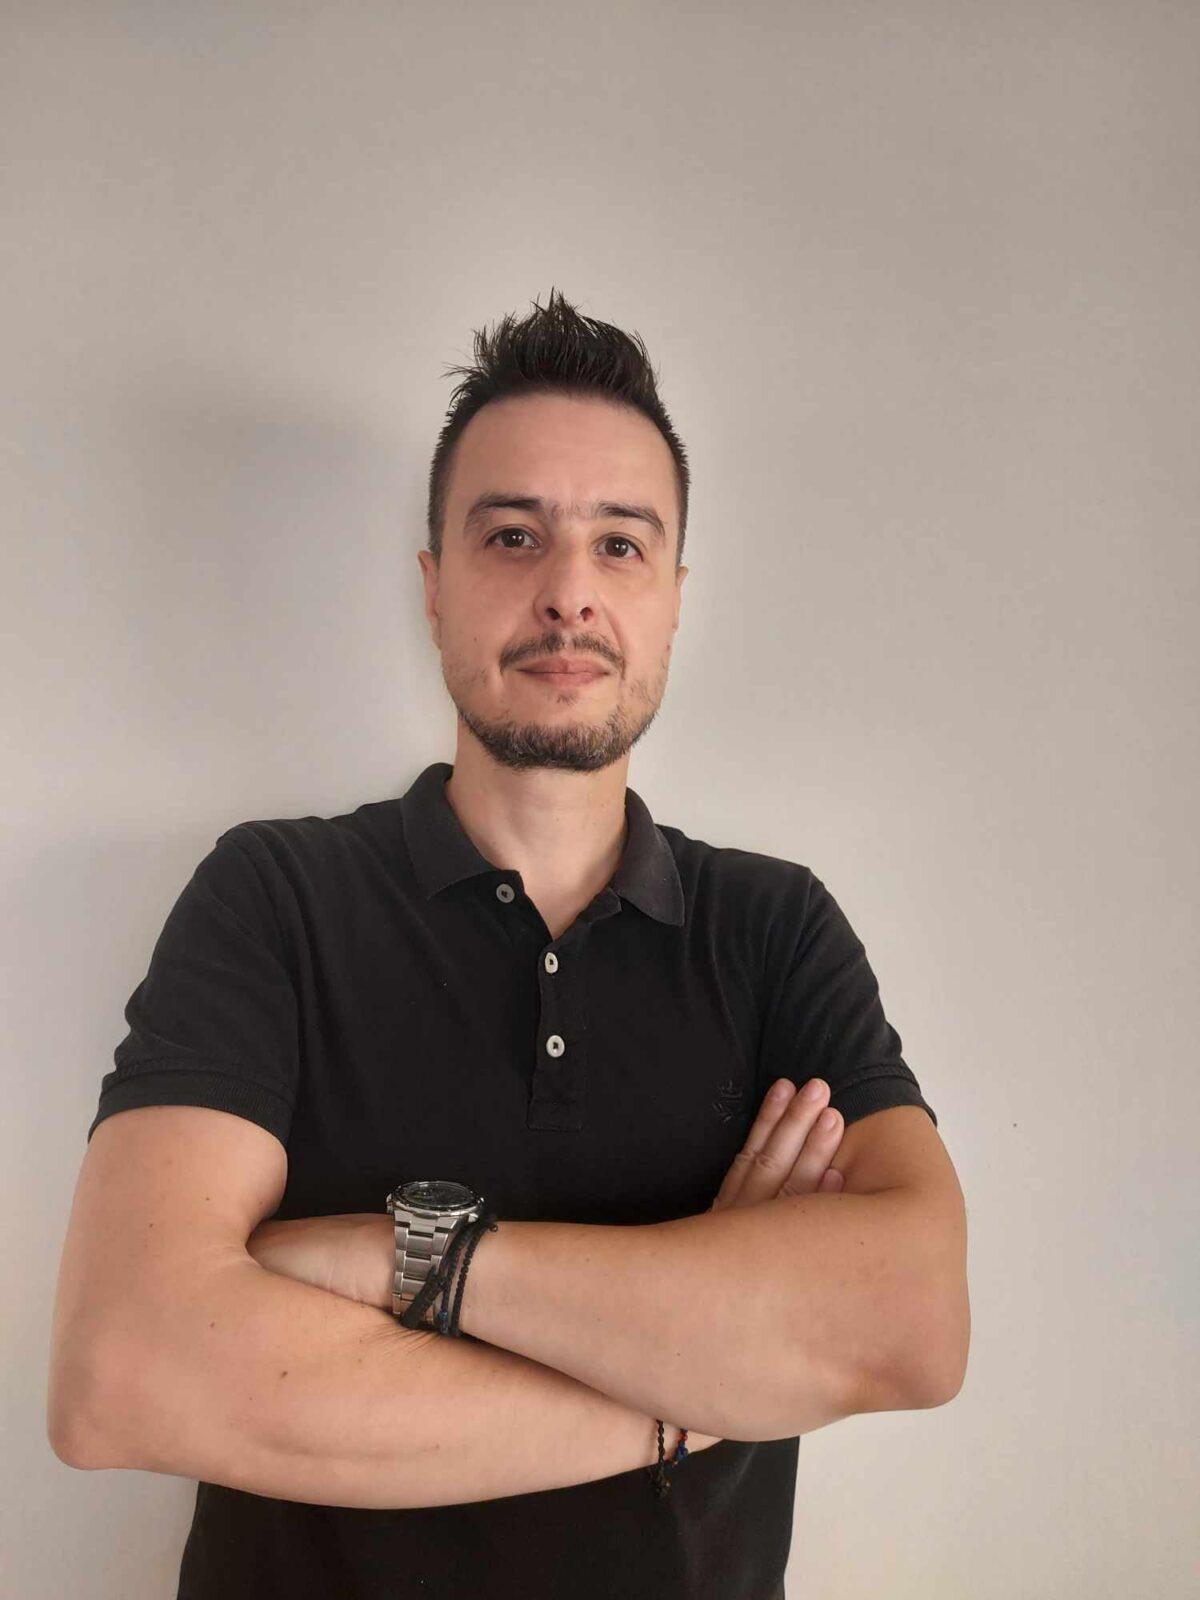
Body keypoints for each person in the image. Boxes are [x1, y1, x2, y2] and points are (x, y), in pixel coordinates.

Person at [49, 289, 954, 1599]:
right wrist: (696, 1392)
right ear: (433, 587)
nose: (569, 593)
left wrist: (407, 1260)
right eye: (513, 535)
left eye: (621, 545)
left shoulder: (775, 929)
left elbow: (914, 1326)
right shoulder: (275, 897)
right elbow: (124, 1377)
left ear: (675, 600)